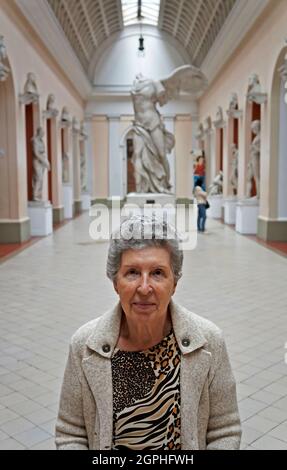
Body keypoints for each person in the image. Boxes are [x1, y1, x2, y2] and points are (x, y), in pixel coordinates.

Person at [55, 214, 241, 450]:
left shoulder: (208, 341)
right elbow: (70, 432)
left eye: (157, 273)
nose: (144, 288)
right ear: (115, 282)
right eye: (132, 272)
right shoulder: (84, 345)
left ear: (174, 283)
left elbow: (225, 430)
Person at [131, 73, 175, 193]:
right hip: (138, 123)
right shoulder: (134, 85)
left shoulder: (155, 82)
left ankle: (166, 184)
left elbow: (162, 99)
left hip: (153, 122)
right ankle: (140, 188)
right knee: (137, 155)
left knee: (161, 154)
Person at [31, 127, 50, 201]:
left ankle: (38, 196)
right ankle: (34, 195)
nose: (44, 134)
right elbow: (36, 153)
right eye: (42, 132)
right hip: (37, 160)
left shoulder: (41, 140)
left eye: (44, 132)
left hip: (42, 160)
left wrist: (47, 161)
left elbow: (44, 152)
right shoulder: (34, 140)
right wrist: (44, 161)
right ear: (39, 132)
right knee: (39, 177)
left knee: (41, 179)